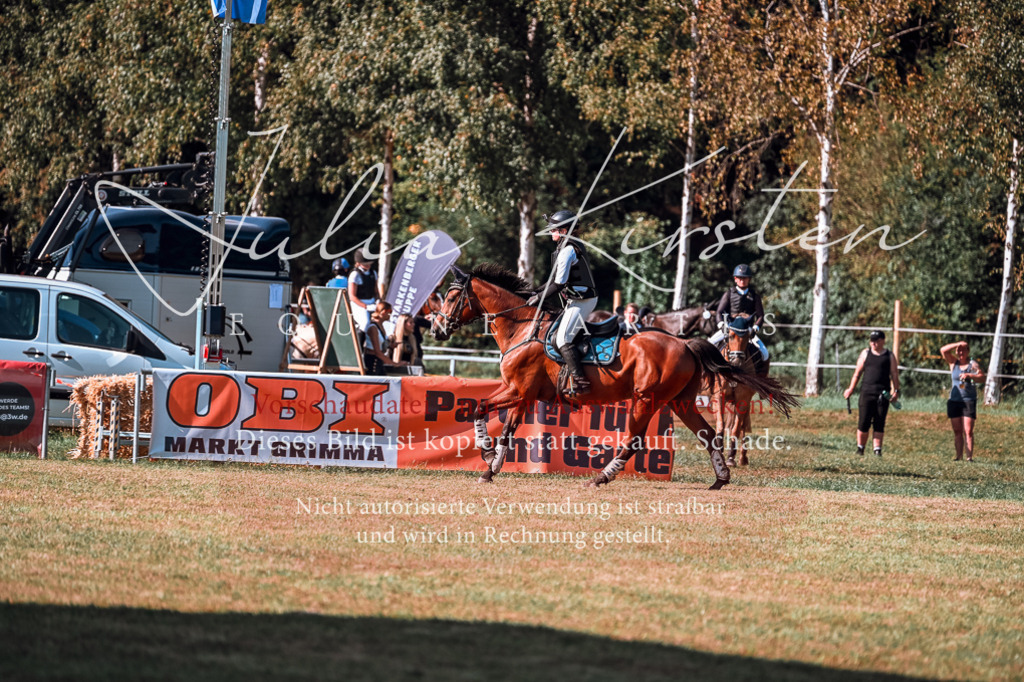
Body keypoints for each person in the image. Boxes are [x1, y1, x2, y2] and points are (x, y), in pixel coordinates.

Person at [527, 209, 598, 395]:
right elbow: (552, 281)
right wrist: (533, 291)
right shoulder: (563, 248)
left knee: (563, 339)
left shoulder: (568, 250)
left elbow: (559, 284)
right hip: (575, 300)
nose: (551, 232)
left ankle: (581, 382)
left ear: (564, 231)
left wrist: (539, 298)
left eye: (553, 229)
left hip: (584, 301)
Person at [843, 330, 900, 456]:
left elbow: (895, 375)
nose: (873, 343)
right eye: (871, 340)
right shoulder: (865, 354)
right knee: (863, 422)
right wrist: (850, 389)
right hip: (866, 393)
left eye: (876, 340)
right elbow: (857, 373)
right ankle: (860, 448)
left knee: (879, 422)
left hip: (883, 394)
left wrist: (896, 391)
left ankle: (877, 451)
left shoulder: (889, 356)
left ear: (882, 341)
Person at [710, 264, 768, 369]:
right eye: (740, 278)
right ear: (735, 279)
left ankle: (761, 380)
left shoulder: (754, 296)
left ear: (749, 279)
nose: (742, 280)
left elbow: (760, 316)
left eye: (745, 278)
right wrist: (721, 325)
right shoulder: (728, 294)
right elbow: (719, 312)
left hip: (747, 330)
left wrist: (755, 328)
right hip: (730, 328)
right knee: (709, 344)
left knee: (765, 353)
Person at [941, 340, 984, 461]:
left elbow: (982, 377)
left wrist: (970, 376)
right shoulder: (953, 363)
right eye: (958, 350)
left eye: (963, 350)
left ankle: (969, 457)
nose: (960, 352)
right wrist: (958, 343)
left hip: (968, 400)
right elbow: (943, 350)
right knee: (957, 430)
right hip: (954, 400)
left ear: (968, 351)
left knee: (968, 430)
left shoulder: (973, 364)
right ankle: (958, 456)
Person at [362, 302, 405, 375]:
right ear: (384, 312)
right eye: (389, 312)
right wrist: (394, 364)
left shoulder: (380, 326)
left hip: (378, 361)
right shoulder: (373, 328)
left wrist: (390, 345)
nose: (390, 315)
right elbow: (377, 352)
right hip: (372, 361)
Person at [347, 248, 379, 333]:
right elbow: (352, 296)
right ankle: (359, 345)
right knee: (365, 323)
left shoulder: (373, 273)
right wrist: (365, 306)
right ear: (358, 263)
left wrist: (378, 301)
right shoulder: (355, 275)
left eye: (369, 263)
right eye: (365, 263)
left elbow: (376, 291)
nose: (368, 265)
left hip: (371, 302)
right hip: (358, 303)